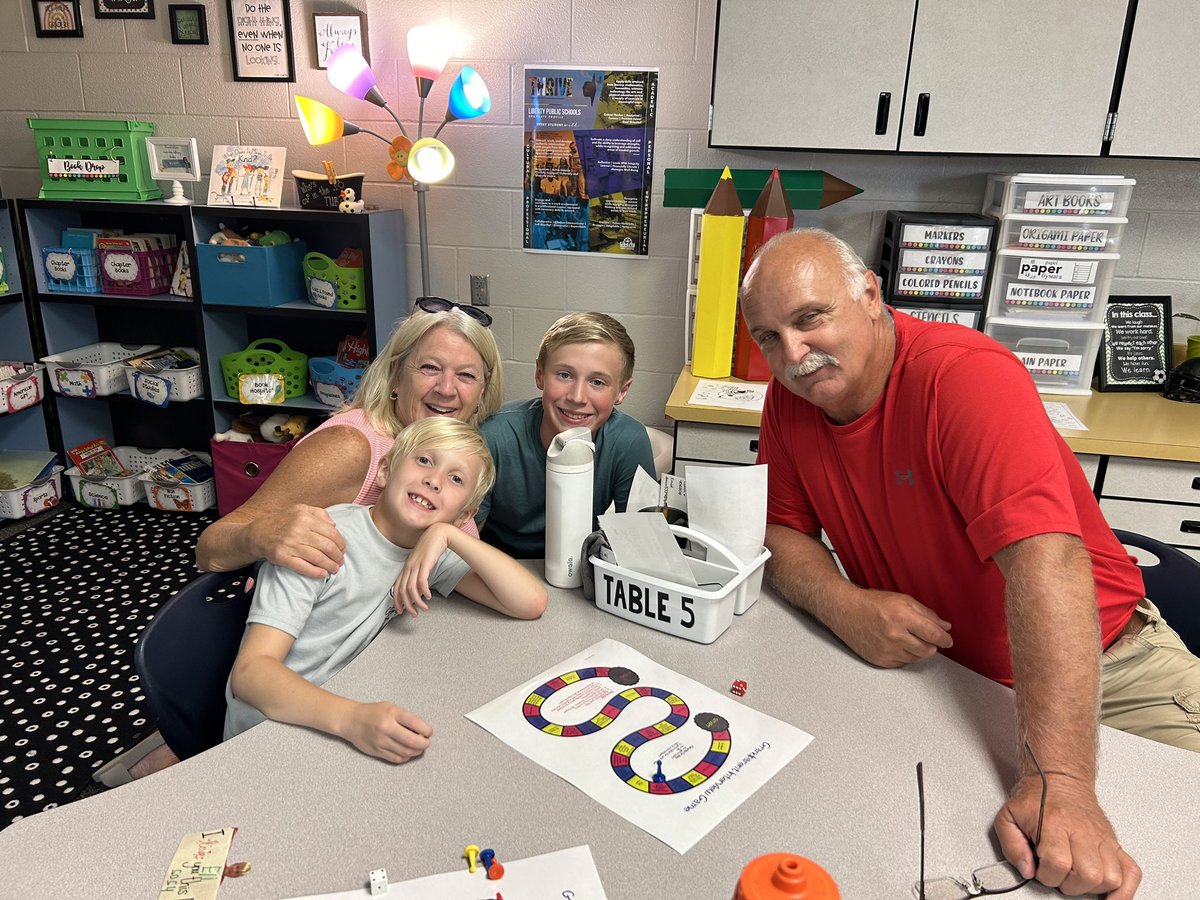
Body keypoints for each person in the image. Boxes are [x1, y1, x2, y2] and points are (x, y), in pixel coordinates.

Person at [740, 229, 1200, 900]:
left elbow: (1050, 563)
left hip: (1110, 672)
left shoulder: (962, 375)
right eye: (768, 338)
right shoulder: (793, 399)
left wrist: (1063, 782)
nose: (793, 354)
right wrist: (844, 603)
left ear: (869, 293)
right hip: (945, 681)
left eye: (810, 319)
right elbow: (779, 531)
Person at [224, 417, 547, 762]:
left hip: (342, 713)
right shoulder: (320, 540)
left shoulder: (428, 550)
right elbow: (250, 675)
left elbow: (530, 602)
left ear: (464, 513)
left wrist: (448, 536)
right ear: (384, 471)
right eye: (424, 460)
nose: (433, 480)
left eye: (455, 479)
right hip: (270, 732)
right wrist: (351, 718)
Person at [196, 297, 504, 577]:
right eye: (430, 367)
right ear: (396, 374)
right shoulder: (351, 446)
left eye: (466, 375)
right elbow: (209, 550)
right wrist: (261, 536)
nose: (446, 389)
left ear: (482, 391)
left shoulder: (459, 451)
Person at [475, 311, 656, 558]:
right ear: (540, 374)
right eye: (564, 375)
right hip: (497, 566)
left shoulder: (628, 442)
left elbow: (641, 549)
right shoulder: (494, 436)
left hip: (578, 570)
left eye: (597, 382)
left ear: (622, 391)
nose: (577, 397)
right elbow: (462, 541)